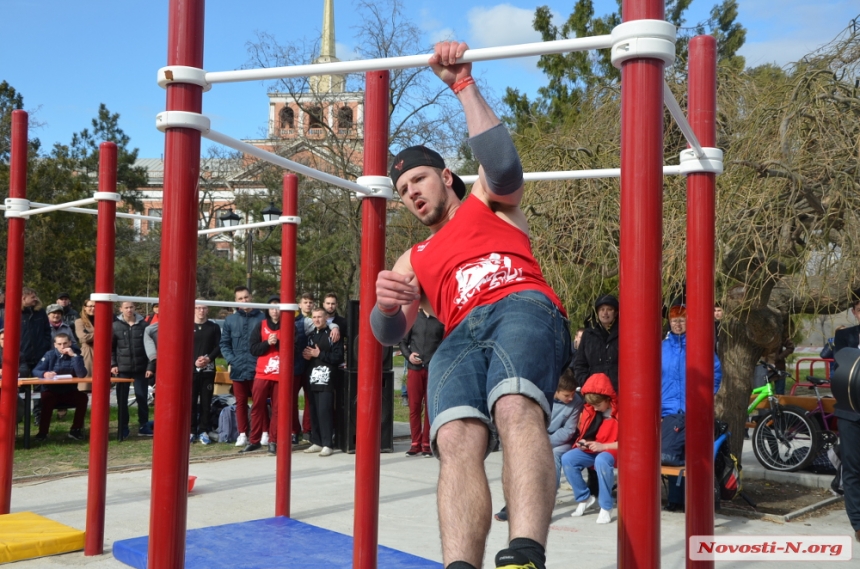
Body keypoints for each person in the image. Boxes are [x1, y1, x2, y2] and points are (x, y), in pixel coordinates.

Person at [372, 41, 570, 569]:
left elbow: (503, 166)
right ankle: (460, 565)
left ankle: (524, 553)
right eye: (402, 190)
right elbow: (389, 333)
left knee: (514, 406)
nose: (411, 193)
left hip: (518, 303)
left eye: (418, 179)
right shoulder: (411, 256)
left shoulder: (487, 200)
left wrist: (462, 85)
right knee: (456, 438)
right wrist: (385, 304)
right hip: (459, 334)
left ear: (446, 177)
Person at [495, 368, 583, 522]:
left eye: (572, 394)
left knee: (553, 457)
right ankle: (512, 504)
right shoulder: (541, 396)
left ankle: (545, 506)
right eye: (566, 395)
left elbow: (569, 431)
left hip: (561, 442)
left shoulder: (576, 402)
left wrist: (544, 443)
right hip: (537, 435)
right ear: (556, 391)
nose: (571, 398)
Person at [660, 304, 722, 511]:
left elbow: (715, 372)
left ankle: (693, 499)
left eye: (682, 320)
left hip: (693, 408)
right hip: (669, 409)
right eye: (674, 320)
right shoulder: (662, 347)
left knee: (692, 455)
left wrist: (705, 398)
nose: (677, 324)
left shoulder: (698, 346)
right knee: (673, 454)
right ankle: (675, 499)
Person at [243, 296, 299, 454]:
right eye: (272, 307)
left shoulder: (290, 326)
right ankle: (254, 440)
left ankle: (273, 441)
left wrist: (279, 343)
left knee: (277, 409)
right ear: (267, 310)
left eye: (278, 307)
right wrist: (267, 343)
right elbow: (253, 349)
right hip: (262, 373)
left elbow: (293, 350)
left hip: (281, 375)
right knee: (257, 406)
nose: (275, 311)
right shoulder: (260, 326)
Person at [560, 373, 618, 525]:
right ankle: (584, 497)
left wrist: (604, 446)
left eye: (598, 405)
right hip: (596, 448)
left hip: (614, 451)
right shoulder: (591, 410)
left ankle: (606, 506)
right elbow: (587, 432)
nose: (595, 408)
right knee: (568, 458)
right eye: (592, 405)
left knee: (602, 460)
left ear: (607, 399)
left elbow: (630, 442)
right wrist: (584, 441)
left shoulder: (621, 412)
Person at [219, 287, 265, 448]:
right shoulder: (230, 320)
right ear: (235, 301)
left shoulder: (262, 318)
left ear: (251, 297)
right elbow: (224, 344)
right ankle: (242, 434)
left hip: (258, 368)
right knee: (240, 403)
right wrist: (232, 360)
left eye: (246, 297)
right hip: (238, 369)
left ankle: (263, 432)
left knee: (260, 402)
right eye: (240, 298)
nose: (244, 301)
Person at [399, 308, 445, 457]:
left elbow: (445, 344)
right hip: (415, 369)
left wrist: (438, 360)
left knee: (430, 407)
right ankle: (415, 443)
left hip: (433, 369)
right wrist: (409, 355)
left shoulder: (440, 320)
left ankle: (427, 443)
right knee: (414, 406)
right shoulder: (413, 318)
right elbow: (403, 342)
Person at [833, 295, 860, 543]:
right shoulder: (845, 337)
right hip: (850, 412)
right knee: (852, 468)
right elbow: (838, 371)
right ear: (854, 312)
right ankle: (858, 524)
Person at [302, 308, 344, 457]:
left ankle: (328, 444)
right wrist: (307, 356)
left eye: (320, 317)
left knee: (324, 410)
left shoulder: (333, 334)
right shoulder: (311, 335)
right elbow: (307, 353)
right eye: (314, 317)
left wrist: (320, 354)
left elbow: (338, 357)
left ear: (326, 318)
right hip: (312, 377)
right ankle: (317, 441)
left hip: (327, 378)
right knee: (313, 410)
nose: (317, 320)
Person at [32, 333, 89, 441]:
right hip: (51, 390)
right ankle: (43, 433)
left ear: (70, 343)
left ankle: (75, 430)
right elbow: (35, 370)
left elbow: (81, 374)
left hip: (69, 390)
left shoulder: (76, 355)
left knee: (83, 398)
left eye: (65, 343)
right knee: (47, 400)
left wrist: (74, 356)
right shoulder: (49, 355)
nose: (62, 347)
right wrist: (45, 374)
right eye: (59, 344)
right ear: (55, 345)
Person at [111, 301, 151, 438]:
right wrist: (113, 365)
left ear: (135, 308)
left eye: (131, 307)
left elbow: (150, 348)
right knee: (122, 399)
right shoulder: (115, 326)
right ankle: (123, 427)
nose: (129, 310)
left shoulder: (144, 325)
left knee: (142, 398)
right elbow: (111, 348)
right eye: (126, 307)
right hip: (122, 368)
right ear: (121, 309)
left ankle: (144, 425)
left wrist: (150, 366)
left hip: (141, 368)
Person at [573, 295, 619, 392]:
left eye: (609, 309)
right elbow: (579, 364)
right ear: (597, 312)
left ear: (615, 312)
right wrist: (586, 383)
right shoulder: (588, 334)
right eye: (602, 309)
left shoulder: (623, 333)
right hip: (594, 392)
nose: (605, 313)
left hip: (618, 390)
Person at [191, 304, 221, 445]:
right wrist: (194, 361)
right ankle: (191, 430)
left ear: (208, 310)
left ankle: (204, 430)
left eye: (204, 308)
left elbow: (219, 346)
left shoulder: (213, 327)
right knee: (191, 401)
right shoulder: (187, 325)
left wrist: (208, 358)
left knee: (206, 402)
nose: (201, 311)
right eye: (198, 308)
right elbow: (183, 346)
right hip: (191, 369)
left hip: (208, 369)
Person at [74, 299, 97, 392]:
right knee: (86, 385)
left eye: (95, 306)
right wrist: (101, 333)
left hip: (102, 353)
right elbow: (83, 338)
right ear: (85, 308)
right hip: (88, 353)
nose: (92, 308)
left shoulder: (104, 320)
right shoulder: (79, 322)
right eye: (90, 306)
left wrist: (91, 335)